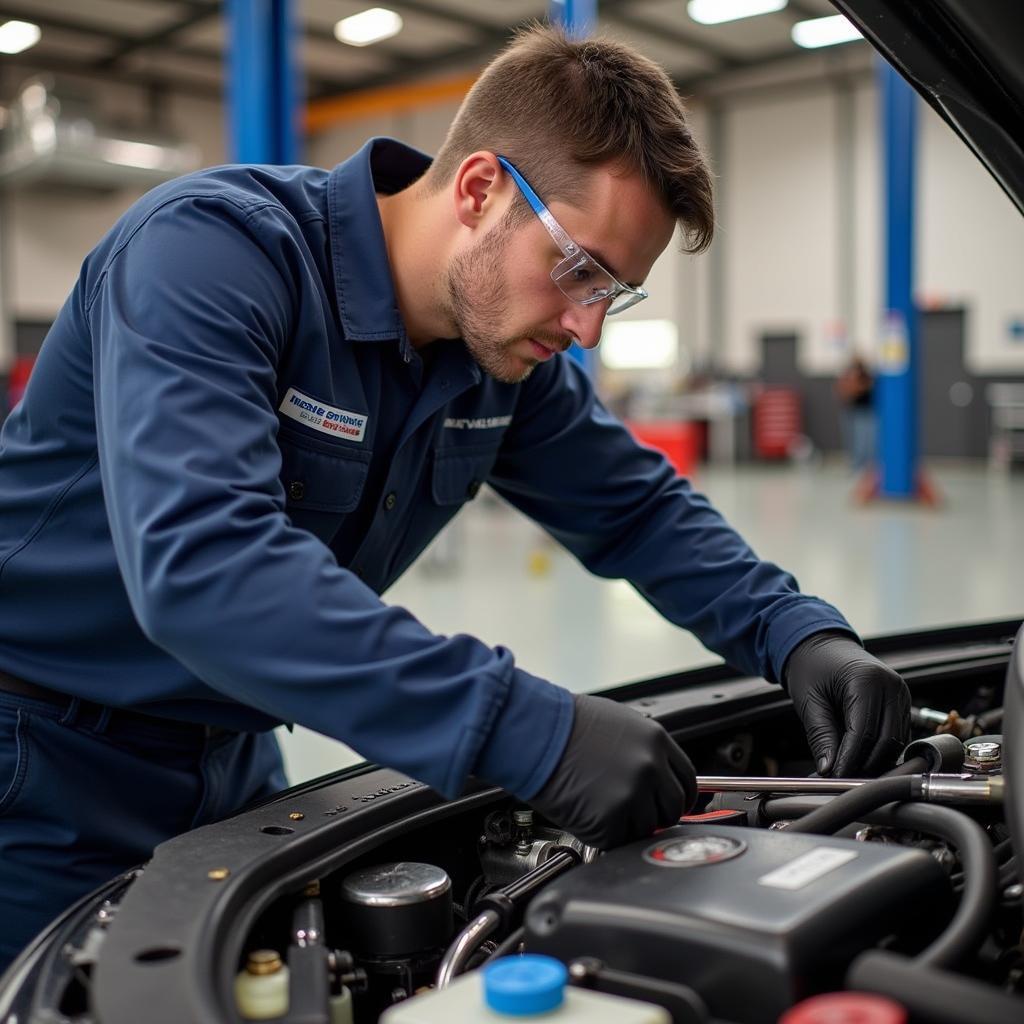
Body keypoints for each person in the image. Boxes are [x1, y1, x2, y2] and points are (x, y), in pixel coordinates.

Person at [0, 26, 910, 969]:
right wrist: (529, 727)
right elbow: (204, 567)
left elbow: (635, 509)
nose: (588, 328)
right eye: (580, 270)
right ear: (479, 190)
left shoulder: (496, 359)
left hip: (233, 753)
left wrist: (800, 633)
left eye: (617, 294)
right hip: (41, 762)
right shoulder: (213, 253)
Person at [837, 355, 876, 471]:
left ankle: (865, 464)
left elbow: (864, 388)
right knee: (852, 439)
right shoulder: (848, 374)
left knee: (865, 440)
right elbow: (844, 389)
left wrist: (857, 387)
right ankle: (855, 463)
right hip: (851, 411)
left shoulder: (866, 375)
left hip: (865, 411)